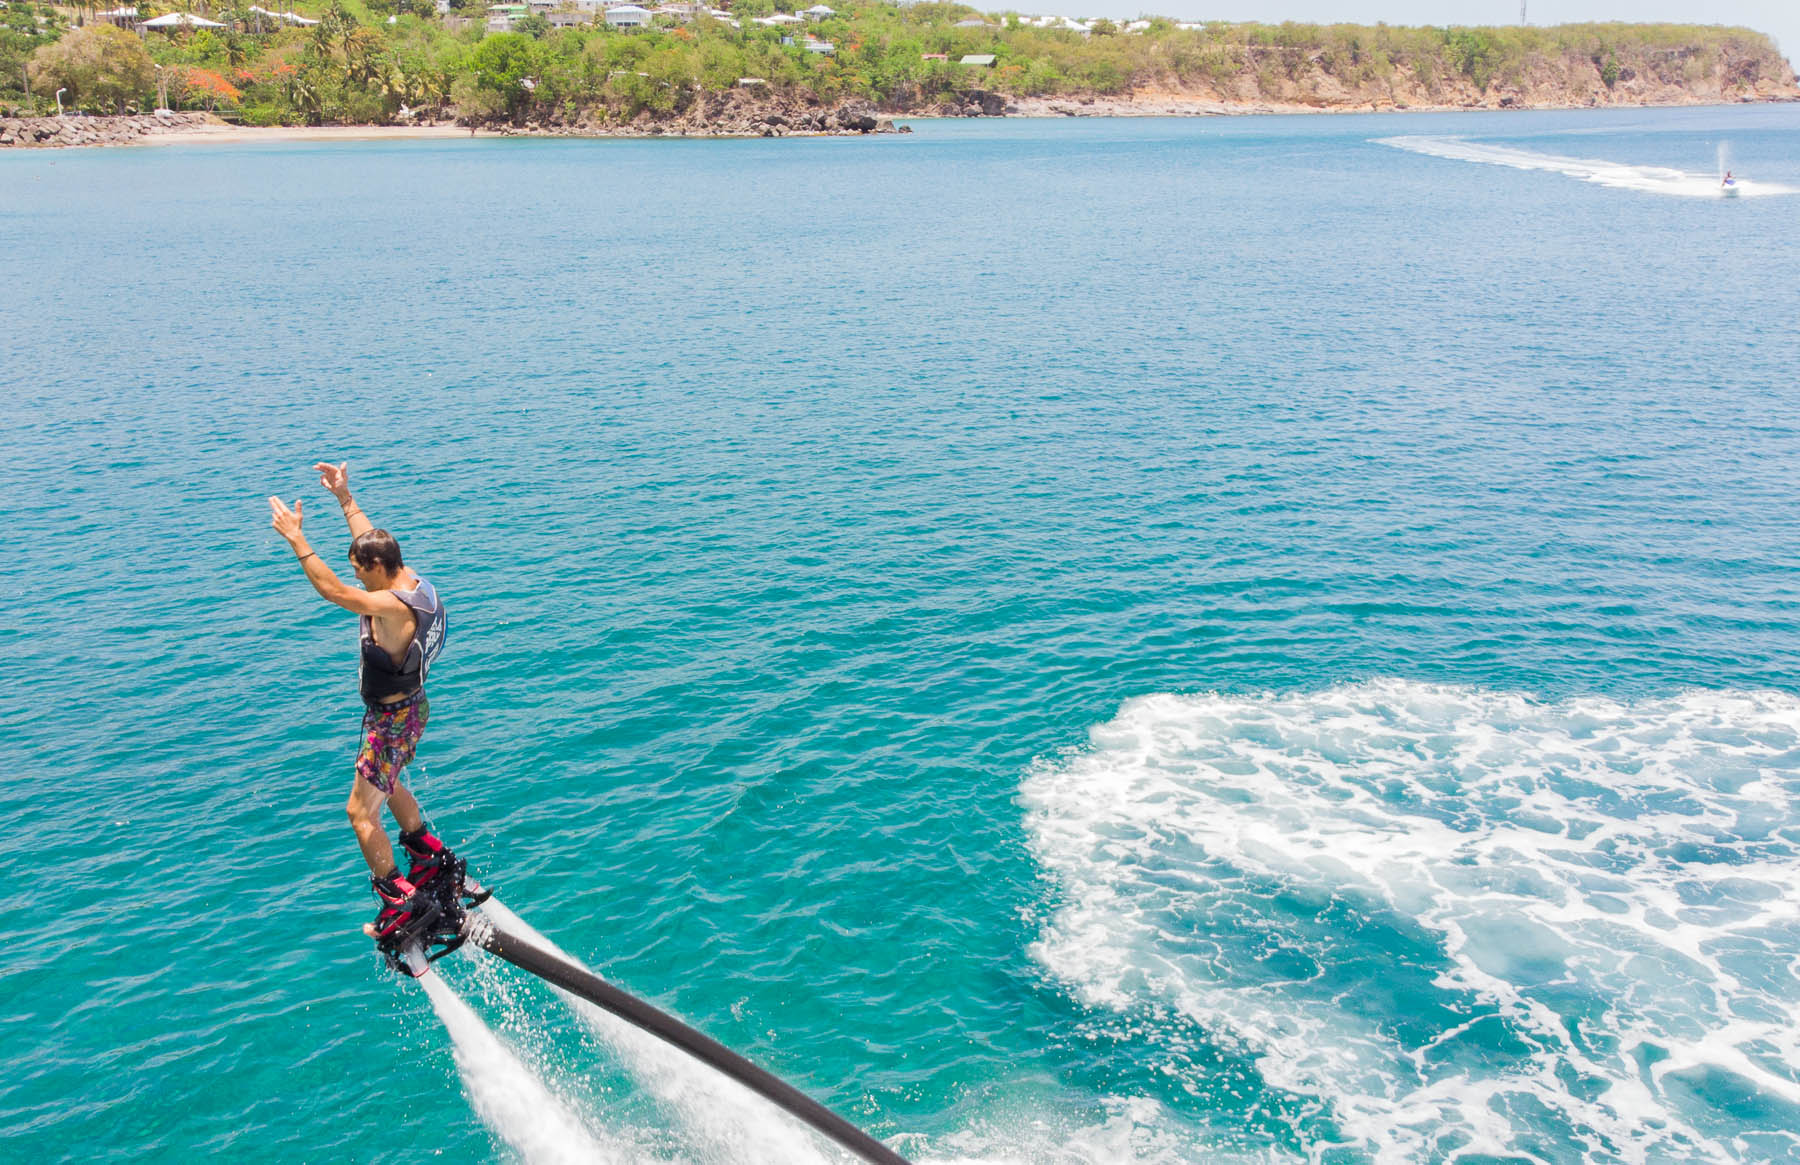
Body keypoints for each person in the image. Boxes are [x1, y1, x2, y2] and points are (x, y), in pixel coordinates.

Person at [268, 462, 453, 941]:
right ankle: (427, 857)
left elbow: (332, 591)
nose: (356, 575)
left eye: (359, 569)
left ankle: (401, 902)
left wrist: (296, 539)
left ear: (375, 569)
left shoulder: (391, 606)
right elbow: (372, 538)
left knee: (359, 811)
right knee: (385, 785)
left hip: (391, 719)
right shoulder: (414, 582)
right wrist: (344, 498)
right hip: (409, 710)